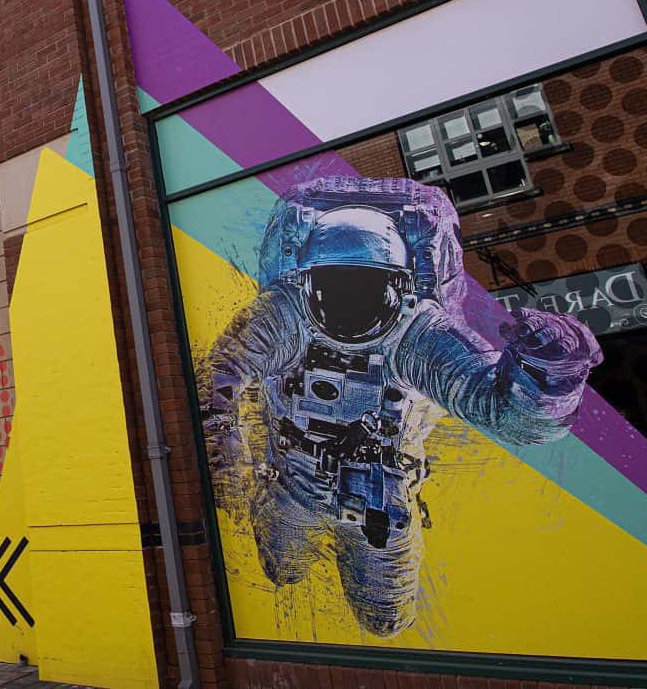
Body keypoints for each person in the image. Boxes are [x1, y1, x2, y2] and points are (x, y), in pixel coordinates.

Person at [202, 176, 601, 636]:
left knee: (385, 620)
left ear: (398, 287)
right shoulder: (285, 314)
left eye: (365, 287)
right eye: (336, 287)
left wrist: (549, 374)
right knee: (282, 571)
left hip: (379, 504)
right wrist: (228, 463)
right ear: (307, 284)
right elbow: (218, 378)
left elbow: (501, 412)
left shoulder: (416, 332)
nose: (350, 301)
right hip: (293, 488)